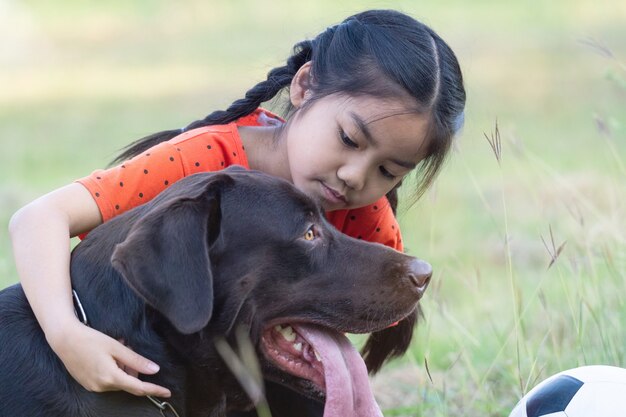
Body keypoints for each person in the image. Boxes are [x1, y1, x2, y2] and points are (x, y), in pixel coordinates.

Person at [9, 8, 465, 405]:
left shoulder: (360, 207)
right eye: (348, 138)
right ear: (305, 86)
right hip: (126, 333)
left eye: (388, 171)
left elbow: (384, 297)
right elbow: (39, 217)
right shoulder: (199, 163)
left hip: (235, 361)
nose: (355, 176)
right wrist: (66, 334)